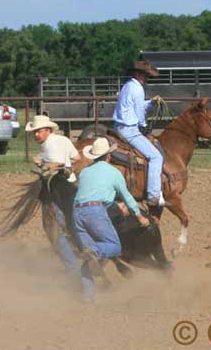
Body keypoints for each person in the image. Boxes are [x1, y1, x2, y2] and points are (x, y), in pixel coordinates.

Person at [73, 137, 150, 302]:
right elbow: (127, 197)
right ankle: (95, 252)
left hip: (77, 213)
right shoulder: (114, 172)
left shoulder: (85, 172)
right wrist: (139, 216)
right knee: (114, 246)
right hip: (95, 211)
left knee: (88, 257)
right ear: (108, 157)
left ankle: (88, 298)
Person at [25, 115, 82, 280]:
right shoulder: (63, 139)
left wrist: (40, 163)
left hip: (57, 190)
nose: (36, 135)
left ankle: (73, 269)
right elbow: (76, 157)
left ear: (48, 130)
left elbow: (57, 165)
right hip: (72, 186)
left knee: (55, 232)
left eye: (39, 131)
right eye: (34, 132)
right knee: (72, 225)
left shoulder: (47, 147)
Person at [113, 60, 164, 207]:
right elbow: (139, 112)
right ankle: (153, 195)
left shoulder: (128, 86)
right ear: (137, 74)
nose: (145, 78)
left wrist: (151, 103)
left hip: (120, 127)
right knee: (156, 157)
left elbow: (138, 106)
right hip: (129, 130)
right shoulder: (137, 89)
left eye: (146, 75)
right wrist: (144, 125)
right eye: (144, 74)